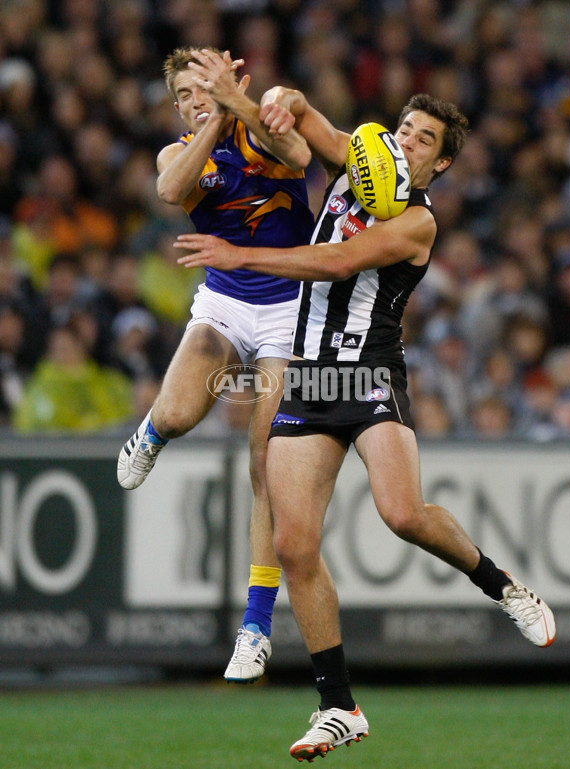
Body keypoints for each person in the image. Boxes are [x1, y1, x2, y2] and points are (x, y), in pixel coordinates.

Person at [174, 87, 556, 762]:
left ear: (438, 167)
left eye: (423, 141)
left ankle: (504, 586)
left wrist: (241, 257)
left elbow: (338, 261)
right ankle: (338, 705)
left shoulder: (418, 222)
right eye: (404, 129)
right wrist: (261, 96)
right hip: (310, 374)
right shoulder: (362, 159)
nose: (406, 142)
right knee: (293, 544)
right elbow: (298, 114)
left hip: (369, 371)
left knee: (402, 513)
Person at [116, 47, 315, 683]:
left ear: (230, 81)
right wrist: (213, 116)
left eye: (204, 88)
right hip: (226, 302)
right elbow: (171, 190)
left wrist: (241, 105)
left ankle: (255, 626)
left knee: (266, 459)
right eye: (184, 96)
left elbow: (301, 159)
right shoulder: (177, 152)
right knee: (175, 415)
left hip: (290, 308)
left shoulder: (270, 116)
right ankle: (151, 433)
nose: (194, 100)